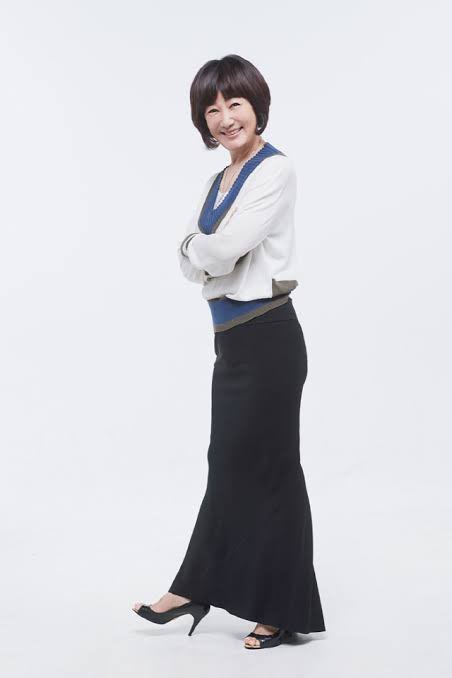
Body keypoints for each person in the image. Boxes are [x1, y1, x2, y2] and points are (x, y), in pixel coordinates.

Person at [132, 53, 326, 651]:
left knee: (273, 471)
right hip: (233, 343)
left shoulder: (275, 170)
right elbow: (194, 259)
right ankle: (193, 588)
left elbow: (221, 250)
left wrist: (199, 249)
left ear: (256, 107)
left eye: (234, 103)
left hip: (269, 338)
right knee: (228, 463)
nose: (224, 117)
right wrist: (202, 250)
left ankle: (282, 610)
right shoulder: (217, 182)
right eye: (211, 109)